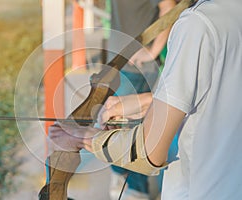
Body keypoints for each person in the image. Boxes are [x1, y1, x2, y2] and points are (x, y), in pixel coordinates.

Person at [48, 0, 242, 199]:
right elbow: (222, 93)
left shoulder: (198, 24)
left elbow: (149, 151)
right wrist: (148, 102)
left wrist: (79, 137)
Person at [105, 0, 176, 199]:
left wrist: (153, 50)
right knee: (114, 125)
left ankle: (137, 190)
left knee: (131, 129)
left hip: (137, 66)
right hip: (117, 61)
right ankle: (120, 175)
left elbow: (169, 7)